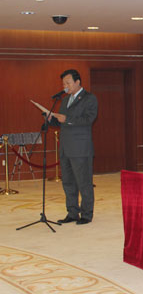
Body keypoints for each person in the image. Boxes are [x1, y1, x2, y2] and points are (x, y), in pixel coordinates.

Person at [48, 69, 98, 225]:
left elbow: (88, 119)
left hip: (80, 148)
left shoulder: (89, 98)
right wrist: (51, 119)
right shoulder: (65, 100)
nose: (65, 86)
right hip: (65, 147)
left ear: (77, 82)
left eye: (68, 83)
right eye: (63, 83)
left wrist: (67, 119)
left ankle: (86, 214)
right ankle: (72, 212)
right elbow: (61, 122)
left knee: (84, 182)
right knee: (68, 182)